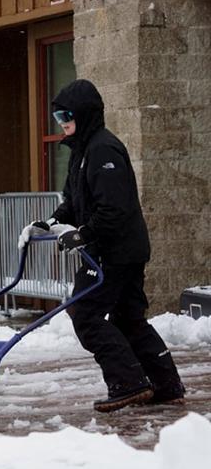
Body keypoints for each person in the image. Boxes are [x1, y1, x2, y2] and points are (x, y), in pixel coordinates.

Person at [28, 79, 185, 413]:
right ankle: (165, 385)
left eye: (67, 116)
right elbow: (74, 201)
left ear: (85, 114)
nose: (63, 124)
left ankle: (128, 383)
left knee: (85, 313)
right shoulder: (82, 150)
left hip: (116, 250)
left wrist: (84, 234)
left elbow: (114, 208)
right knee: (129, 318)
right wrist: (53, 222)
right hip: (116, 248)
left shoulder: (103, 149)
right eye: (57, 118)